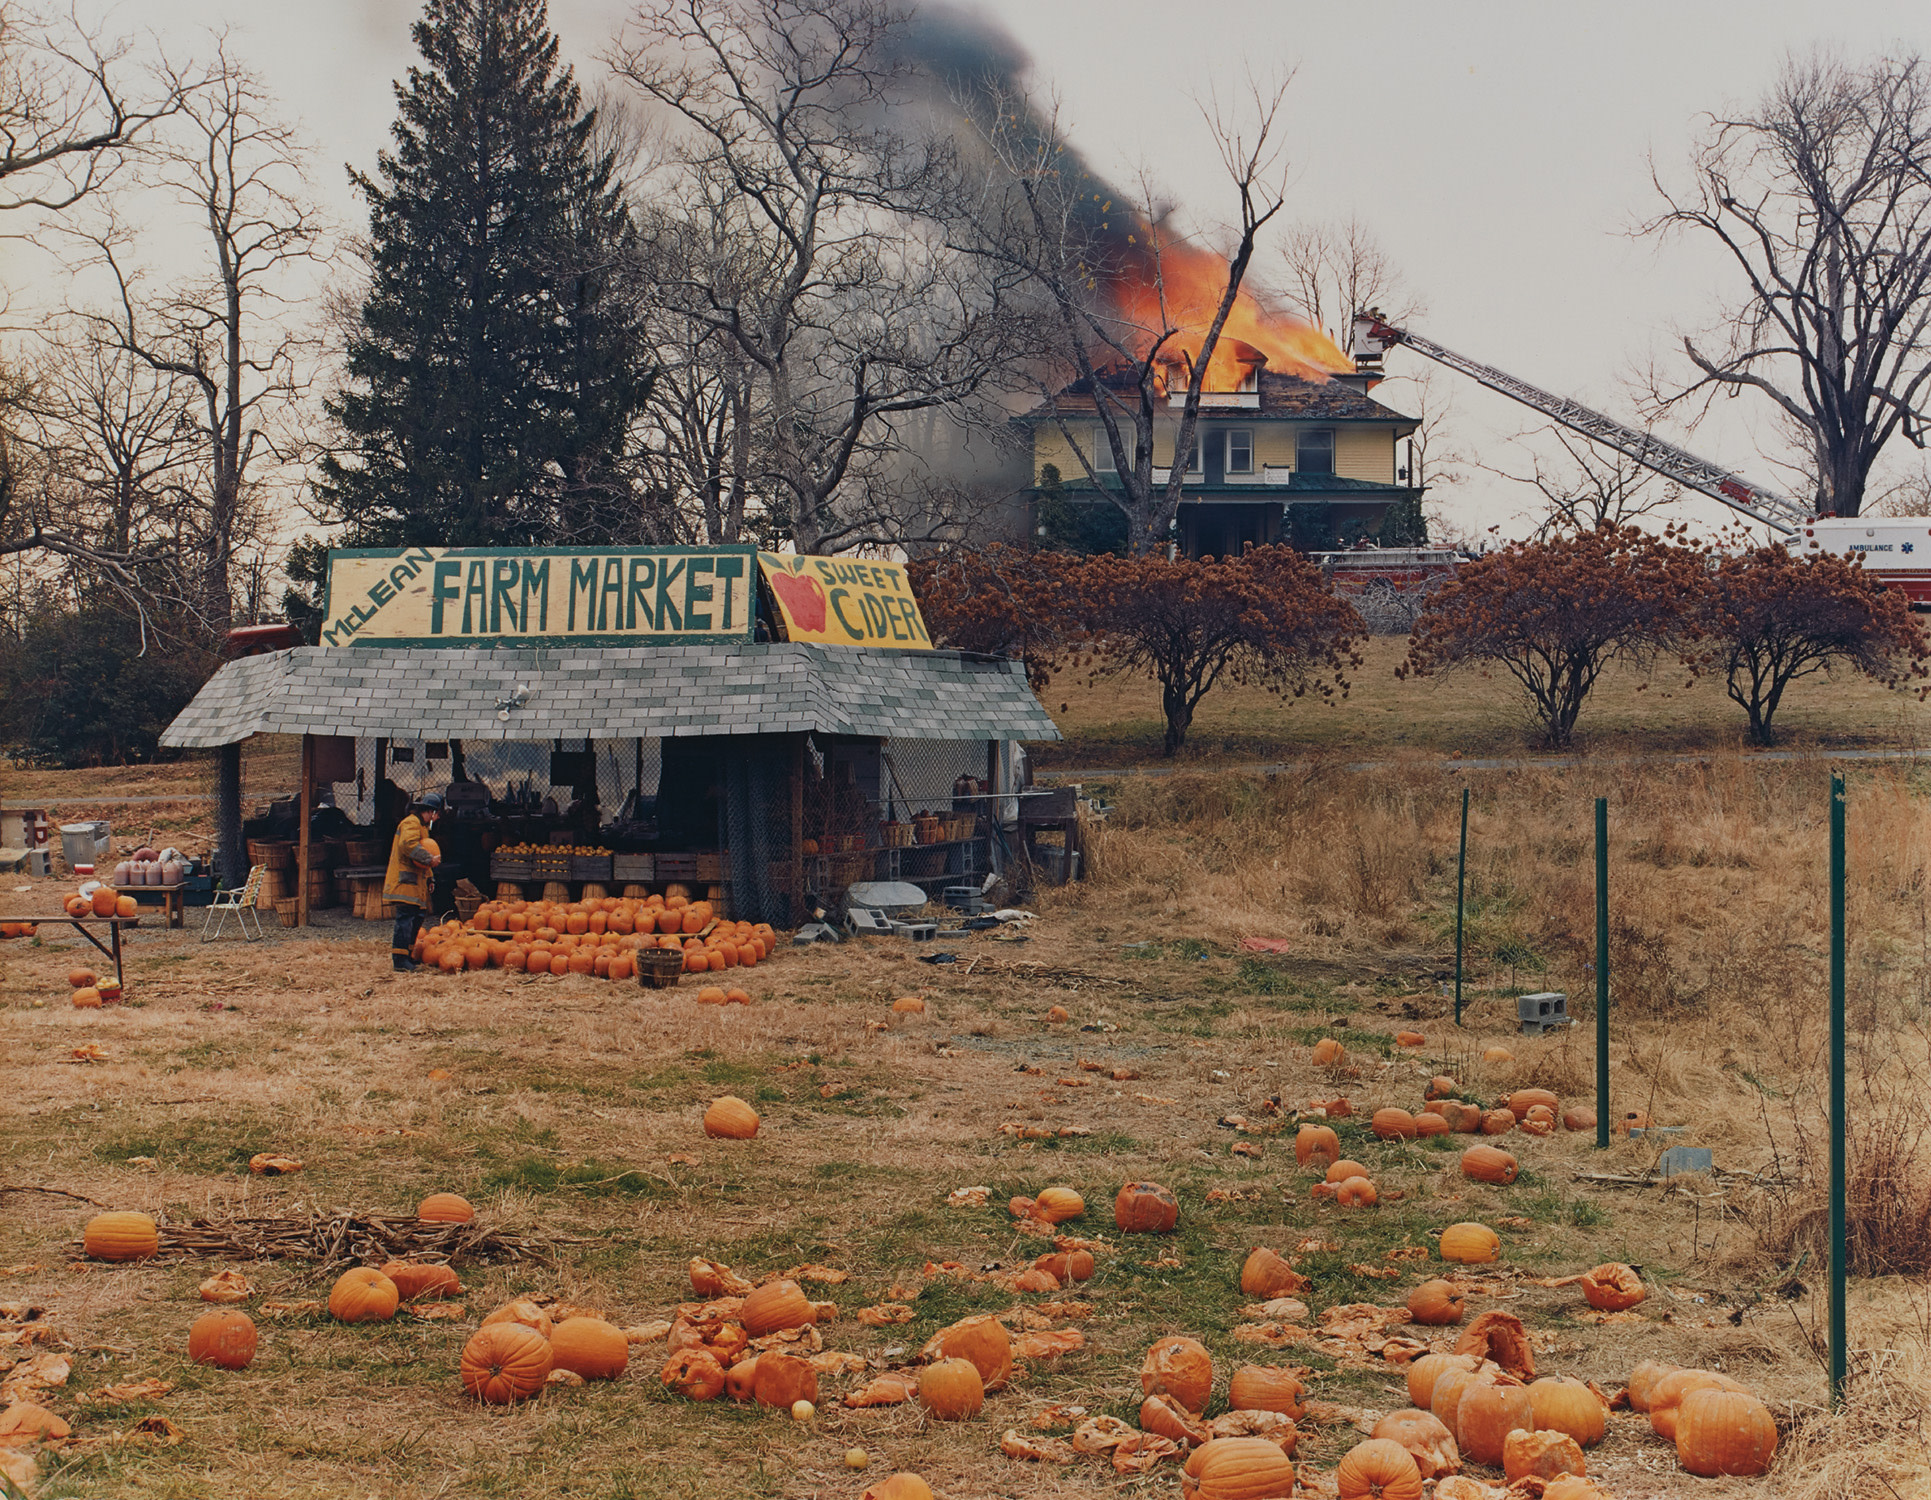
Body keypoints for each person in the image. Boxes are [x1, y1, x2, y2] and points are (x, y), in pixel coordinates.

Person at [384, 792, 443, 971]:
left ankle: (407, 956)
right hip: (405, 881)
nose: (438, 818)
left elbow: (424, 852)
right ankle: (399, 960)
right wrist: (429, 859)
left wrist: (430, 877)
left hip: (416, 882)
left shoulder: (422, 827)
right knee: (405, 919)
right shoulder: (411, 823)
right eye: (438, 814)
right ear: (431, 812)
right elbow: (408, 845)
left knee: (415, 918)